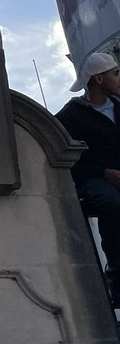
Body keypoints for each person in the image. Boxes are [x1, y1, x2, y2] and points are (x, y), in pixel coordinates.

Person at [55, 52, 120, 305]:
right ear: (100, 78)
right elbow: (68, 161)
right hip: (95, 181)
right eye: (115, 73)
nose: (119, 78)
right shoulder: (71, 116)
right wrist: (104, 172)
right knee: (112, 204)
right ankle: (115, 271)